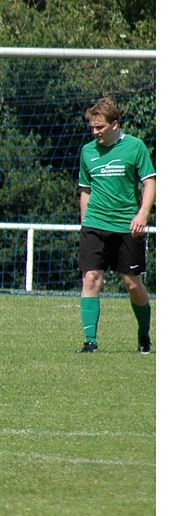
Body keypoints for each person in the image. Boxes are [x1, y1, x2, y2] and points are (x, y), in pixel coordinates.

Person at [76, 98, 156, 354]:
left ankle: (144, 335)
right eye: (92, 127)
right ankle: (91, 341)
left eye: (99, 127)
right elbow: (85, 190)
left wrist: (143, 213)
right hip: (95, 224)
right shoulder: (87, 151)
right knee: (91, 278)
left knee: (132, 284)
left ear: (115, 124)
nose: (95, 132)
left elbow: (150, 182)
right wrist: (85, 221)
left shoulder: (135, 147)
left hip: (127, 226)